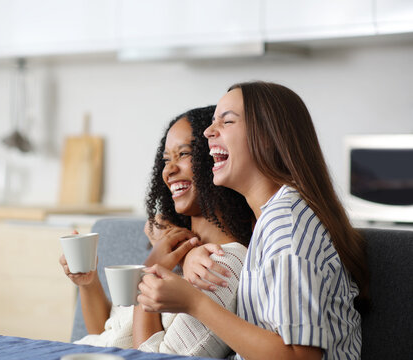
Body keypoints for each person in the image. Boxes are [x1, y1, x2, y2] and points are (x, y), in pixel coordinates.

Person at [137, 81, 368, 360]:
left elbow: (300, 357)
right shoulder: (270, 220)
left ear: (267, 137)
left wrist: (195, 303)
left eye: (227, 121)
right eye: (212, 123)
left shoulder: (286, 225)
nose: (209, 132)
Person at [59, 105, 254, 358]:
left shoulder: (222, 265)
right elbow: (106, 334)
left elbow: (151, 356)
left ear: (215, 159)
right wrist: (87, 283)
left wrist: (149, 272)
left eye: (184, 154)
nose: (169, 170)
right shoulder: (174, 249)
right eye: (166, 159)